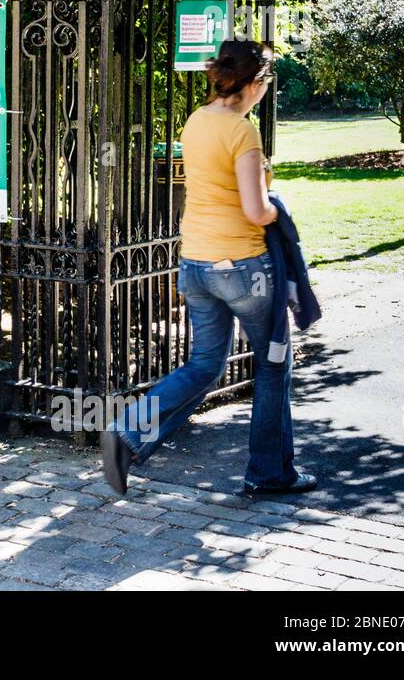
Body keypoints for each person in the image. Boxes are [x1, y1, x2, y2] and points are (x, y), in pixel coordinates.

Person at [102, 40, 316, 497]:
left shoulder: (196, 121)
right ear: (255, 82)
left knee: (204, 365)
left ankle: (126, 429)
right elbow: (256, 211)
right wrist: (282, 210)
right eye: (267, 80)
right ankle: (270, 473)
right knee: (273, 366)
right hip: (243, 266)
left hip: (196, 261)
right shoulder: (243, 132)